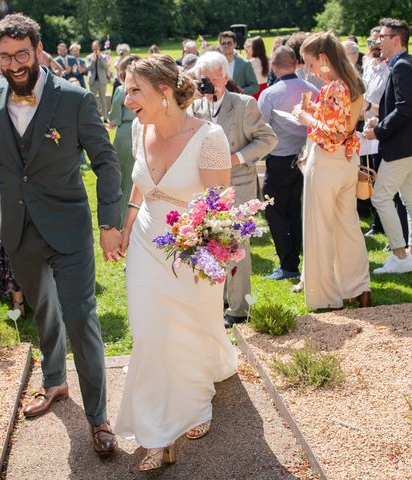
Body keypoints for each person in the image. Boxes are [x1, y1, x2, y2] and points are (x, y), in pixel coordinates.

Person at [0, 13, 122, 455]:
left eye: (22, 54)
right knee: (43, 312)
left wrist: (109, 224)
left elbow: (106, 161)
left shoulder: (74, 99)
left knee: (81, 318)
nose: (14, 64)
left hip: (69, 227)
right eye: (5, 57)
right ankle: (54, 382)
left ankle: (98, 417)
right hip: (18, 228)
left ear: (39, 50)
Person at [114, 54, 237, 471]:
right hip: (148, 244)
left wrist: (200, 247)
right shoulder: (137, 127)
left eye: (135, 90)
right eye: (127, 89)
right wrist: (128, 224)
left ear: (164, 92)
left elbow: (219, 210)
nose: (127, 98)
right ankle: (155, 433)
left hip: (194, 249)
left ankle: (196, 402)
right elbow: (139, 182)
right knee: (149, 335)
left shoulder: (209, 137)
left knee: (189, 332)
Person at [192, 51, 277, 328]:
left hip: (238, 184)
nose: (211, 85)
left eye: (215, 79)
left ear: (225, 77)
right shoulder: (197, 107)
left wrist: (235, 158)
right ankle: (220, 300)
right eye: (205, 79)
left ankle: (239, 308)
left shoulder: (243, 104)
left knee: (237, 245)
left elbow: (267, 138)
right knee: (213, 243)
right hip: (208, 188)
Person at [292, 31, 371, 310]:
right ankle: (359, 288)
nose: (311, 72)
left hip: (326, 162)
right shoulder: (353, 82)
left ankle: (326, 297)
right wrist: (315, 109)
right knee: (348, 227)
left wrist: (305, 117)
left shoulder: (334, 87)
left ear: (323, 58)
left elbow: (333, 131)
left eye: (311, 64)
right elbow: (344, 121)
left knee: (319, 229)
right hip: (348, 163)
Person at [364, 18, 412, 274]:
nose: (378, 42)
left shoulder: (402, 66)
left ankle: (400, 256)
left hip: (402, 147)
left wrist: (377, 131)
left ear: (396, 39)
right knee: (411, 199)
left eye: (382, 37)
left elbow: (404, 109)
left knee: (381, 197)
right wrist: (380, 120)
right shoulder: (406, 64)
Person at [258, 46, 318, 282]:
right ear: (296, 63)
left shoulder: (271, 94)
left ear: (273, 67)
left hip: (280, 159)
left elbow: (260, 126)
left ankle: (288, 262)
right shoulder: (313, 89)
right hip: (305, 157)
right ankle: (294, 257)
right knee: (294, 207)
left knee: (274, 208)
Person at [108, 54, 140, 224]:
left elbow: (114, 120)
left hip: (126, 134)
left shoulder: (121, 90)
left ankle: (122, 219)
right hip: (143, 130)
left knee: (124, 181)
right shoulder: (147, 89)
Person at [218, 31, 258, 96]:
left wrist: (239, 91)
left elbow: (254, 86)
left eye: (229, 43)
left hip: (239, 102)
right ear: (220, 46)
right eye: (223, 43)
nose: (226, 46)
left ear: (235, 45)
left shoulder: (245, 64)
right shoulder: (216, 65)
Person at [87, 40, 110, 122]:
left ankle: (105, 117)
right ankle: (94, 117)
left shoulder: (103, 56)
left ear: (99, 47)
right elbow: (89, 68)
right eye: (94, 47)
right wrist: (93, 61)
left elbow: (105, 66)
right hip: (93, 82)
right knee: (93, 100)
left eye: (96, 47)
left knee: (103, 99)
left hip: (102, 81)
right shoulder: (89, 57)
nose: (95, 49)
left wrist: (100, 58)